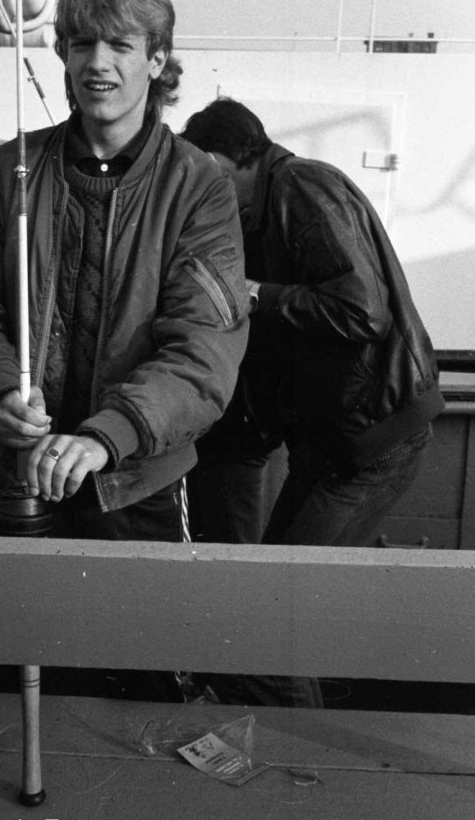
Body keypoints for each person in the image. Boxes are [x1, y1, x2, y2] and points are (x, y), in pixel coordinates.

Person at [0, 0, 249, 700]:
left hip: (137, 493)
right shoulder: (10, 171)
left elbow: (204, 350)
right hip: (24, 486)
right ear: (64, 53)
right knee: (19, 687)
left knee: (143, 693)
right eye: (82, 43)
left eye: (120, 45)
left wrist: (108, 436)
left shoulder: (198, 187)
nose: (97, 63)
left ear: (157, 60)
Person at [181, 97, 444, 549]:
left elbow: (362, 311)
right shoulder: (273, 200)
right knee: (275, 573)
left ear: (223, 159)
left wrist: (257, 294)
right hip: (338, 440)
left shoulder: (300, 184)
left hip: (372, 438)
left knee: (288, 579)